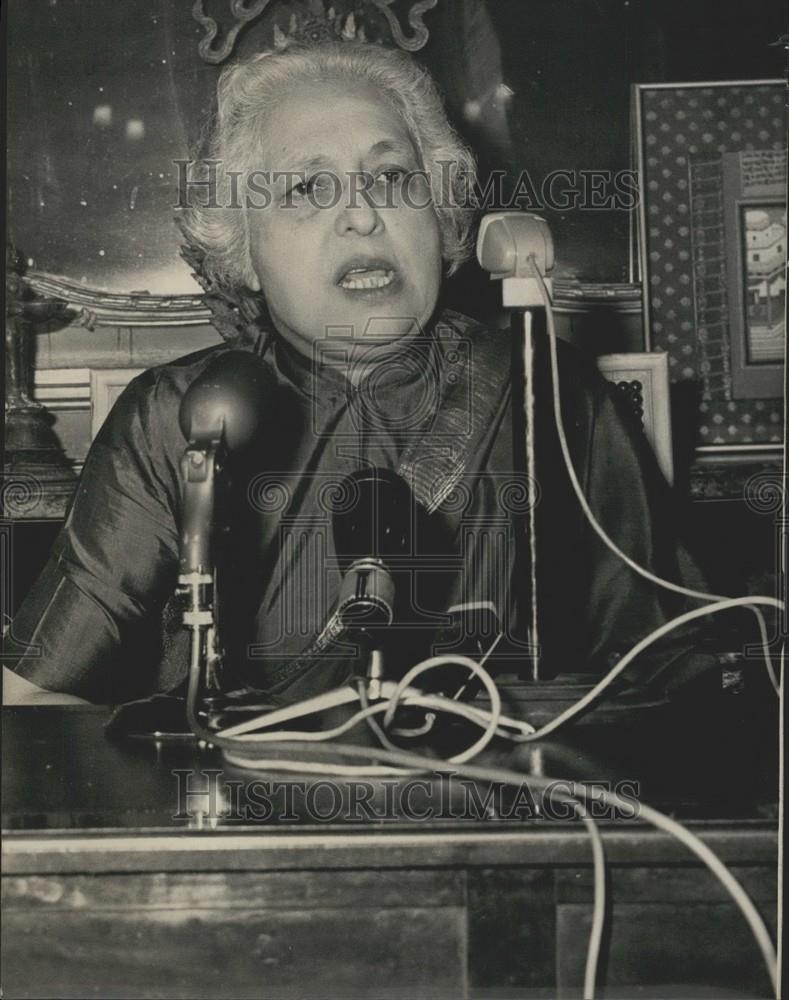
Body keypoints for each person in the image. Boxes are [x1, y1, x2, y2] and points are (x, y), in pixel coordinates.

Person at [3, 40, 705, 708]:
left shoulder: (547, 394)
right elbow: (30, 693)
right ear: (243, 250)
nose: (363, 215)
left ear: (441, 214)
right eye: (308, 187)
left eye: (392, 178)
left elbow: (673, 677)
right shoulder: (177, 416)